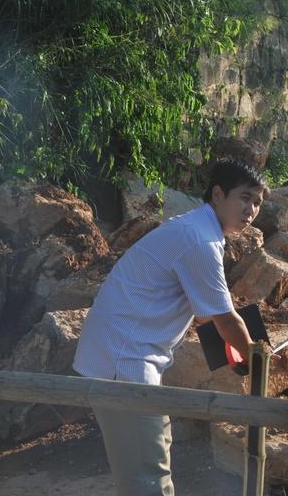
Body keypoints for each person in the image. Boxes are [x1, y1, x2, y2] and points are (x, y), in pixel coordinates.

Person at [73, 158, 270, 496]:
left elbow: (208, 314)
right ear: (218, 194)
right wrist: (257, 359)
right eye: (245, 197)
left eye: (257, 202)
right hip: (125, 360)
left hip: (125, 355)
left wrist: (243, 350)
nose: (251, 209)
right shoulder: (200, 241)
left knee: (153, 451)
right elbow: (224, 319)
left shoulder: (198, 228)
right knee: (146, 478)